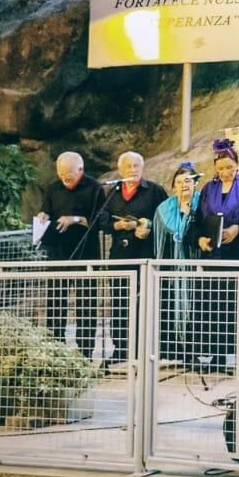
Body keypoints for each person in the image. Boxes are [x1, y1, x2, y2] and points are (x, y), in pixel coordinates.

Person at [193, 138, 239, 369]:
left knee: (236, 305)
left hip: (238, 255)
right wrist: (200, 239)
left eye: (229, 168)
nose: (225, 173)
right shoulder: (207, 190)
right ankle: (215, 355)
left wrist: (238, 228)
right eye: (221, 168)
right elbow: (197, 223)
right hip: (213, 257)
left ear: (237, 166)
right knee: (213, 307)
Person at [98, 151, 167, 370]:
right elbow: (102, 219)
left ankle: (153, 346)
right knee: (120, 302)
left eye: (137, 165)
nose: (133, 170)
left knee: (148, 300)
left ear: (143, 167)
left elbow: (166, 218)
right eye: (128, 166)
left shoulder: (154, 191)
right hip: (120, 255)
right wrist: (116, 226)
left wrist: (148, 229)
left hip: (146, 254)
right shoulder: (113, 192)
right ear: (120, 170)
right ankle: (123, 347)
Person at [32, 151, 103, 361]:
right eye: (62, 176)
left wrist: (75, 219)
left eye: (69, 177)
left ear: (80, 170)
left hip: (85, 252)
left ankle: (85, 352)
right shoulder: (54, 188)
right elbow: (45, 210)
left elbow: (100, 221)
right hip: (58, 253)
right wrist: (43, 216)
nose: (65, 180)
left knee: (86, 303)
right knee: (55, 301)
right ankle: (55, 348)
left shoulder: (94, 188)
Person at [152, 162, 202, 364]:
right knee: (170, 306)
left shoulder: (203, 204)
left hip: (197, 267)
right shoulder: (164, 210)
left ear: (195, 184)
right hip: (171, 270)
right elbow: (158, 243)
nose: (184, 185)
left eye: (188, 181)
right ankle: (173, 349)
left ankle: (194, 350)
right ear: (173, 186)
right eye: (179, 182)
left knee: (197, 308)